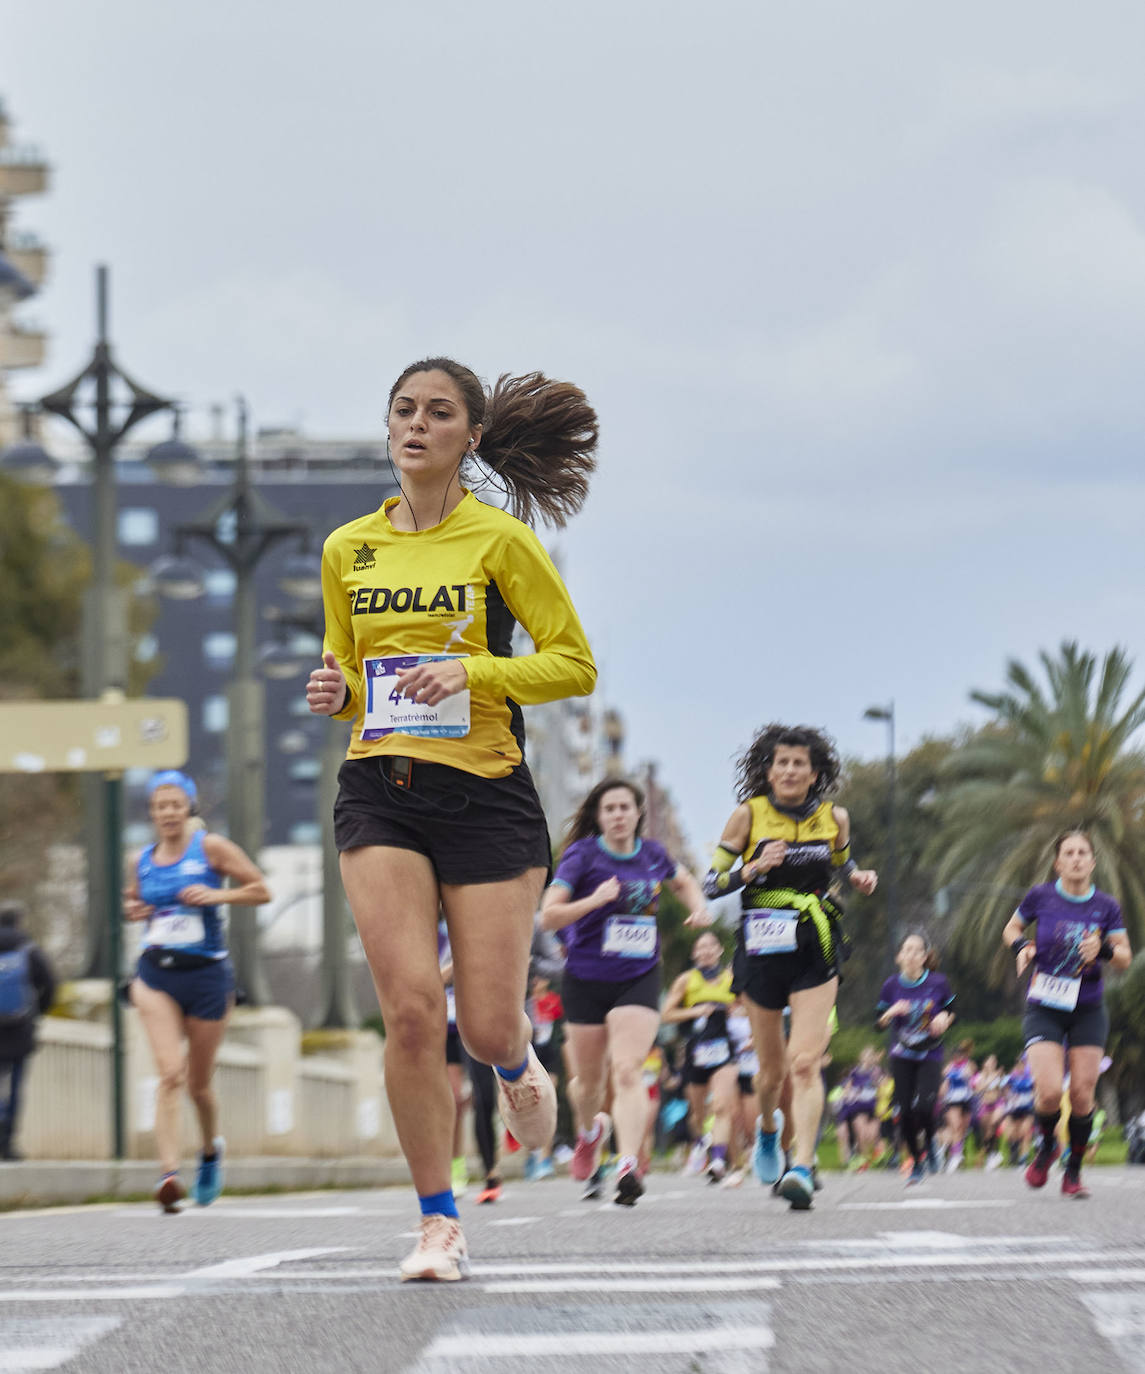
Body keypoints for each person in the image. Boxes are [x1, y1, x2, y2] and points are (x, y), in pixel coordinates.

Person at [307, 358, 598, 1280]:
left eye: (438, 413)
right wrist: (336, 689)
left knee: (482, 1027)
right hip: (379, 788)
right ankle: (437, 1220)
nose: (416, 425)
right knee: (407, 1012)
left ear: (470, 437)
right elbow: (352, 676)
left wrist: (472, 672)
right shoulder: (347, 549)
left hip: (485, 794)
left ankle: (516, 1062)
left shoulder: (500, 542)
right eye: (403, 410)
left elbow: (572, 667)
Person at [704, 723, 877, 1209]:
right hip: (761, 949)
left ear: (815, 772)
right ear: (768, 769)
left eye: (799, 763)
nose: (790, 771)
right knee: (770, 1074)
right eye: (782, 763)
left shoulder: (833, 817)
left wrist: (858, 876)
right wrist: (751, 869)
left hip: (814, 947)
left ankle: (801, 1165)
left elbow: (842, 862)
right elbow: (711, 883)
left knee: (805, 1063)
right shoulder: (748, 816)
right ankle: (766, 1130)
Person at [540, 777, 709, 1206]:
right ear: (599, 817)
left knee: (629, 1069)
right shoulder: (581, 856)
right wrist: (594, 900)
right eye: (609, 808)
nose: (617, 815)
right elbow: (550, 916)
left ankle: (628, 1164)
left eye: (624, 807)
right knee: (587, 1086)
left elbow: (683, 881)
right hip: (585, 977)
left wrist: (698, 909)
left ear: (637, 814)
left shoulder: (653, 853)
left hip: (639, 975)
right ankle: (590, 1131)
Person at [123, 771, 269, 1212]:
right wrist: (135, 909)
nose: (168, 813)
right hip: (155, 974)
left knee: (199, 1085)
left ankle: (209, 1152)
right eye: (160, 806)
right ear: (151, 813)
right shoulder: (141, 858)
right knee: (170, 1074)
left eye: (175, 805)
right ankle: (168, 1174)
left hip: (207, 976)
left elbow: (261, 890)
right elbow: (134, 900)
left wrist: (215, 896)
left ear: (188, 808)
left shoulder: (211, 849)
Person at [1002, 829, 1131, 1198]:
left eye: (1082, 853)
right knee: (1046, 1093)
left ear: (1092, 862)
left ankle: (1073, 1171)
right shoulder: (1040, 896)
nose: (1076, 858)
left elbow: (1124, 957)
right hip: (1044, 1005)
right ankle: (1046, 1147)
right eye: (1069, 853)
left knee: (1081, 1092)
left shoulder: (1106, 906)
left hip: (1088, 1008)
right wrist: (1022, 946)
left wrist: (1103, 949)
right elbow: (1011, 928)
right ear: (1058, 862)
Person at [875, 932, 955, 1186]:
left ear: (923, 957)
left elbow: (953, 1011)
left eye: (915, 950)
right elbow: (877, 1025)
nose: (910, 954)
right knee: (905, 1111)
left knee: (924, 1106)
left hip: (930, 1053)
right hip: (902, 1055)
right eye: (905, 949)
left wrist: (945, 1019)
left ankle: (931, 1140)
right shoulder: (891, 986)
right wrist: (890, 1013)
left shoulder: (938, 982)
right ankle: (917, 1162)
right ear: (899, 957)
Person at [662, 931, 740, 1183]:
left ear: (719, 950)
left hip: (724, 1049)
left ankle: (717, 1160)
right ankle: (700, 1143)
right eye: (701, 947)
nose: (706, 951)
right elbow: (667, 1014)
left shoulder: (731, 979)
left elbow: (747, 1007)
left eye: (711, 946)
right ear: (695, 953)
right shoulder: (687, 980)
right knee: (697, 1114)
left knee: (720, 1106)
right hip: (696, 1050)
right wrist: (696, 1012)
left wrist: (734, 1012)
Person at [0, 902, 56, 1161]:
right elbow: (50, 984)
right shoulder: (29, 949)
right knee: (15, 1085)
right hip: (20, 1028)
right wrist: (38, 1012)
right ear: (18, 921)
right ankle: (7, 1142)